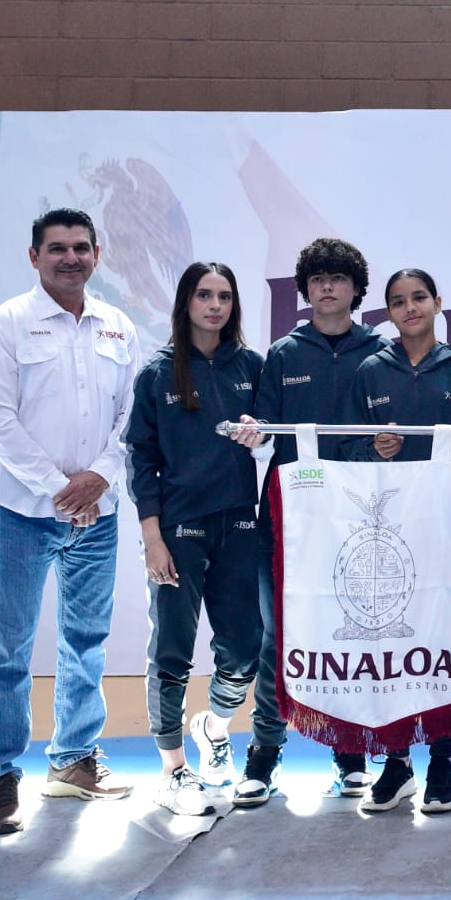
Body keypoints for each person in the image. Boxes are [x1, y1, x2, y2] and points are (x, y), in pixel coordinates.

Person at [0, 208, 140, 836]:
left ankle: (72, 760)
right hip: (18, 512)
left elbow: (130, 418)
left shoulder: (119, 326)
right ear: (34, 256)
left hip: (99, 512)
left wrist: (100, 477)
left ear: (97, 253)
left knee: (86, 641)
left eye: (81, 248)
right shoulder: (3, 325)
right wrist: (63, 488)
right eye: (58, 248)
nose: (71, 258)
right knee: (7, 646)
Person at [229, 238, 387, 807]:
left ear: (356, 288)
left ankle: (350, 753)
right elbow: (264, 433)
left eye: (337, 278)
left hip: (358, 520)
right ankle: (264, 754)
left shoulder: (382, 352)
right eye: (317, 278)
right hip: (289, 516)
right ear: (304, 290)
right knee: (279, 635)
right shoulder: (283, 354)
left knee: (350, 633)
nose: (327, 287)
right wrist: (253, 432)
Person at [342, 269, 451, 814]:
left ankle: (443, 762)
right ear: (388, 312)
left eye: (419, 298)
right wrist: (372, 450)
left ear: (438, 303)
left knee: (444, 645)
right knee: (388, 647)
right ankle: (397, 762)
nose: (410, 308)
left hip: (450, 529)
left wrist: (448, 509)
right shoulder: (370, 371)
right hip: (386, 538)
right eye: (399, 301)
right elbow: (349, 451)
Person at [125, 262, 264, 816]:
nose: (215, 306)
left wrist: (260, 435)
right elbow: (141, 459)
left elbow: (275, 435)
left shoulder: (252, 366)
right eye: (204, 295)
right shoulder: (157, 373)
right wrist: (152, 538)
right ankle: (173, 771)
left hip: (240, 523)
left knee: (245, 649)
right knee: (172, 651)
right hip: (178, 531)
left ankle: (215, 728)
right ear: (186, 302)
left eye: (224, 296)